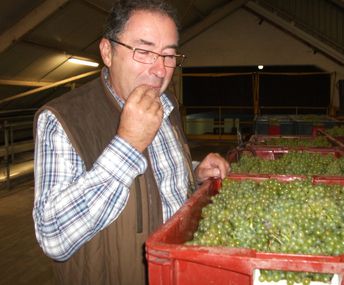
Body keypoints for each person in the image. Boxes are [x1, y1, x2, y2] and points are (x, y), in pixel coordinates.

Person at [32, 0, 230, 284]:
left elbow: (158, 179)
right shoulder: (62, 118)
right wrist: (127, 144)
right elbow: (53, 238)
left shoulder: (167, 103)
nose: (160, 70)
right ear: (107, 52)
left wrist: (195, 172)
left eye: (168, 55)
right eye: (144, 51)